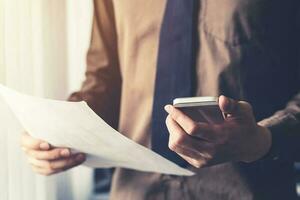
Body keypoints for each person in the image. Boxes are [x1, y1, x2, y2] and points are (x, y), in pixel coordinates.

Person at [21, 0, 300, 199]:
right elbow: (105, 78)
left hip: (249, 189)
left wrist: (264, 139)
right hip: (134, 190)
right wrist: (58, 133)